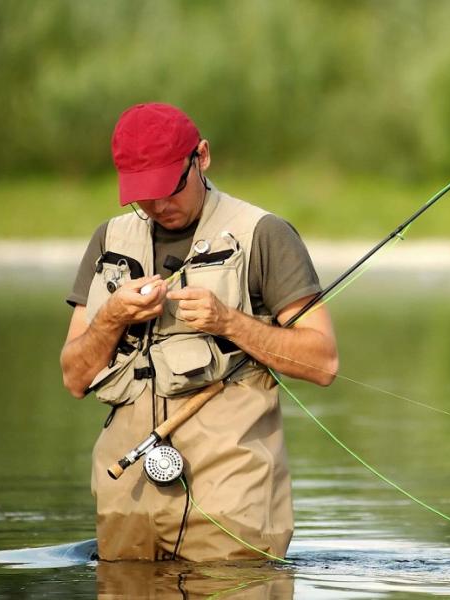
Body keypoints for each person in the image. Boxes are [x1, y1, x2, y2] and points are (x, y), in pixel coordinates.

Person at [60, 102, 338, 562]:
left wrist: (228, 321)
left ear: (202, 157)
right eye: (143, 195)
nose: (159, 206)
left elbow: (323, 362)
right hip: (125, 497)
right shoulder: (107, 240)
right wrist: (111, 316)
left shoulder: (264, 234)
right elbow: (73, 378)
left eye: (170, 188)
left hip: (233, 502)